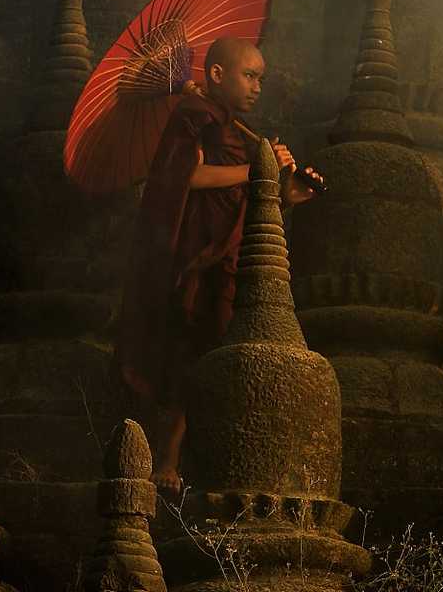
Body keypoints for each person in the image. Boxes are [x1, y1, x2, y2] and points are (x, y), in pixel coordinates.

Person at [116, 37, 322, 492]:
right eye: (249, 76)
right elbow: (186, 176)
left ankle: (199, 457)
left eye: (260, 79)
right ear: (215, 75)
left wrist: (284, 193)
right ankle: (165, 459)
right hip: (196, 254)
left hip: (229, 255)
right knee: (194, 348)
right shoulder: (194, 116)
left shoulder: (228, 125)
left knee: (221, 347)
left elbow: (237, 199)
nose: (257, 88)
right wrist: (258, 172)